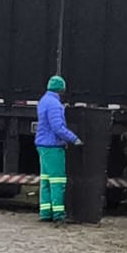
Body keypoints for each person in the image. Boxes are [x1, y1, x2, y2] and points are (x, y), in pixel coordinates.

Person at [34, 75, 82, 223]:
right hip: (53, 147)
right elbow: (58, 127)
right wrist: (74, 139)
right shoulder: (54, 104)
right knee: (57, 181)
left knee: (45, 180)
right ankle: (58, 214)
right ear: (61, 89)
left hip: (43, 145)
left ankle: (45, 212)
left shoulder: (44, 100)